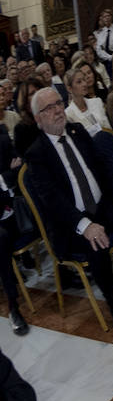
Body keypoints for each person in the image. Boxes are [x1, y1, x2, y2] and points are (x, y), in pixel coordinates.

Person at [25, 87, 113, 329]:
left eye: (59, 103)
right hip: (71, 223)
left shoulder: (77, 131)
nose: (58, 110)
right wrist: (84, 225)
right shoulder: (36, 154)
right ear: (38, 118)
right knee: (96, 242)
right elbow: (52, 201)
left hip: (101, 206)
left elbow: (105, 167)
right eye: (49, 108)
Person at [0, 126, 28, 334]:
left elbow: (21, 166)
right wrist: (4, 178)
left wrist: (3, 179)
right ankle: (13, 305)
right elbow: (12, 173)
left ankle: (64, 270)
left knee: (44, 211)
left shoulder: (2, 139)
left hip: (12, 210)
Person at [65, 63, 109, 135]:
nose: (84, 84)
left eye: (84, 80)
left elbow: (108, 127)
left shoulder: (97, 101)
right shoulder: (68, 115)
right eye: (79, 82)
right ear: (69, 89)